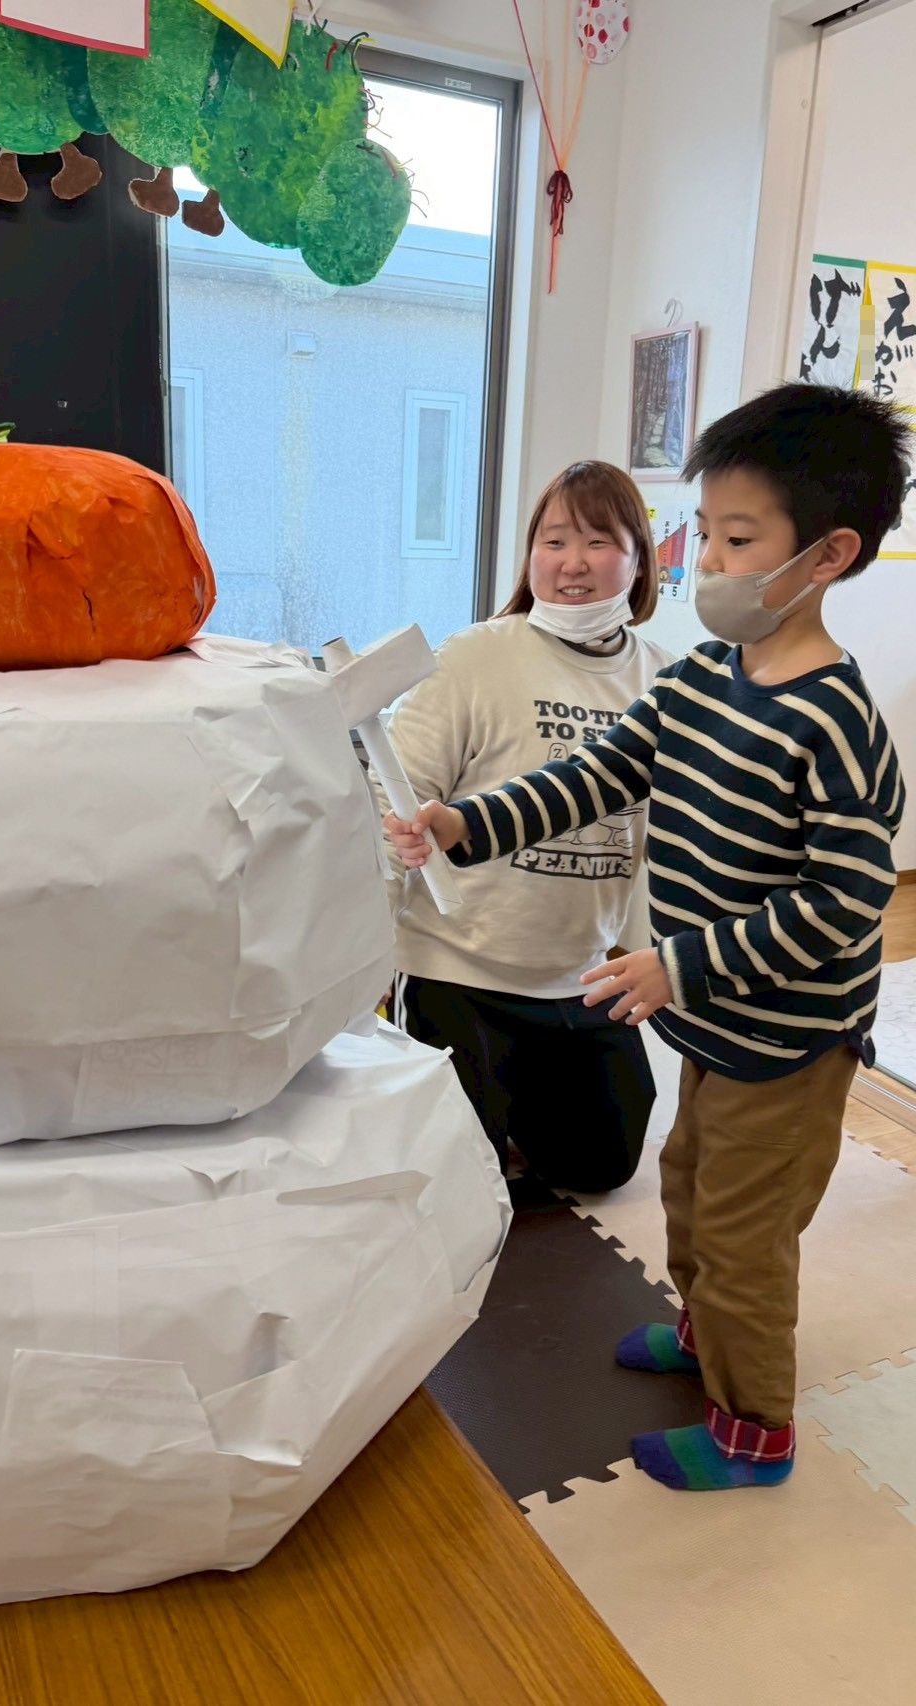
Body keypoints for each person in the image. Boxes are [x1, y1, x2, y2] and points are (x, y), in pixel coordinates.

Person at [385, 383, 908, 1493]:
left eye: (738, 541)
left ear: (828, 555)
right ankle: (703, 1329)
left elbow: (845, 902)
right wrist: (465, 823)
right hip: (711, 1019)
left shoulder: (836, 718)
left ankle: (756, 1430)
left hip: (790, 1036)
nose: (708, 562)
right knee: (687, 1183)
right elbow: (595, 775)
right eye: (704, 533)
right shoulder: (706, 678)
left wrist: (680, 963)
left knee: (746, 1229)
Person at [376, 460, 672, 1192]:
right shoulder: (474, 656)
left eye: (599, 542)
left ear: (639, 560)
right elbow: (397, 799)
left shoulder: (667, 682)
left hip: (582, 975)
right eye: (554, 541)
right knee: (465, 1180)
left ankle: (511, 1104)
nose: (572, 563)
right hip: (458, 968)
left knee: (602, 1167)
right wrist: (373, 940)